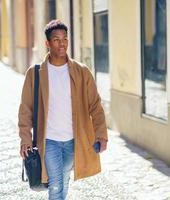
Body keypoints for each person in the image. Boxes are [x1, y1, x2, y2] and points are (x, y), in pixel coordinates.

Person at [18, 19, 108, 200]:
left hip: (73, 140)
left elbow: (95, 106)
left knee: (64, 181)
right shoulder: (34, 74)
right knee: (56, 184)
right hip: (49, 140)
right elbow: (25, 109)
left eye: (65, 39)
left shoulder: (81, 72)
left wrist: (101, 134)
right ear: (47, 43)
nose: (62, 43)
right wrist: (25, 138)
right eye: (57, 39)